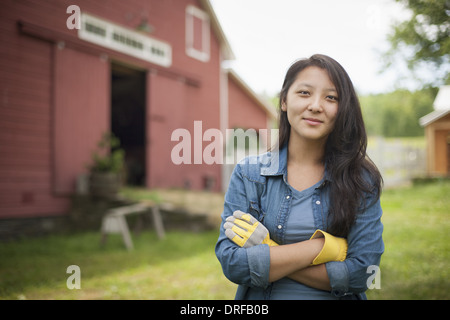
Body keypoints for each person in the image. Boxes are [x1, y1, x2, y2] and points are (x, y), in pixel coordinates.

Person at [215, 54, 384, 300]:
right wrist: (324, 247)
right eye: (304, 93)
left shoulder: (361, 179)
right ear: (284, 101)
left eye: (331, 97)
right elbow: (233, 264)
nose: (316, 105)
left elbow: (363, 274)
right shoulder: (249, 174)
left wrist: (268, 250)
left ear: (342, 108)